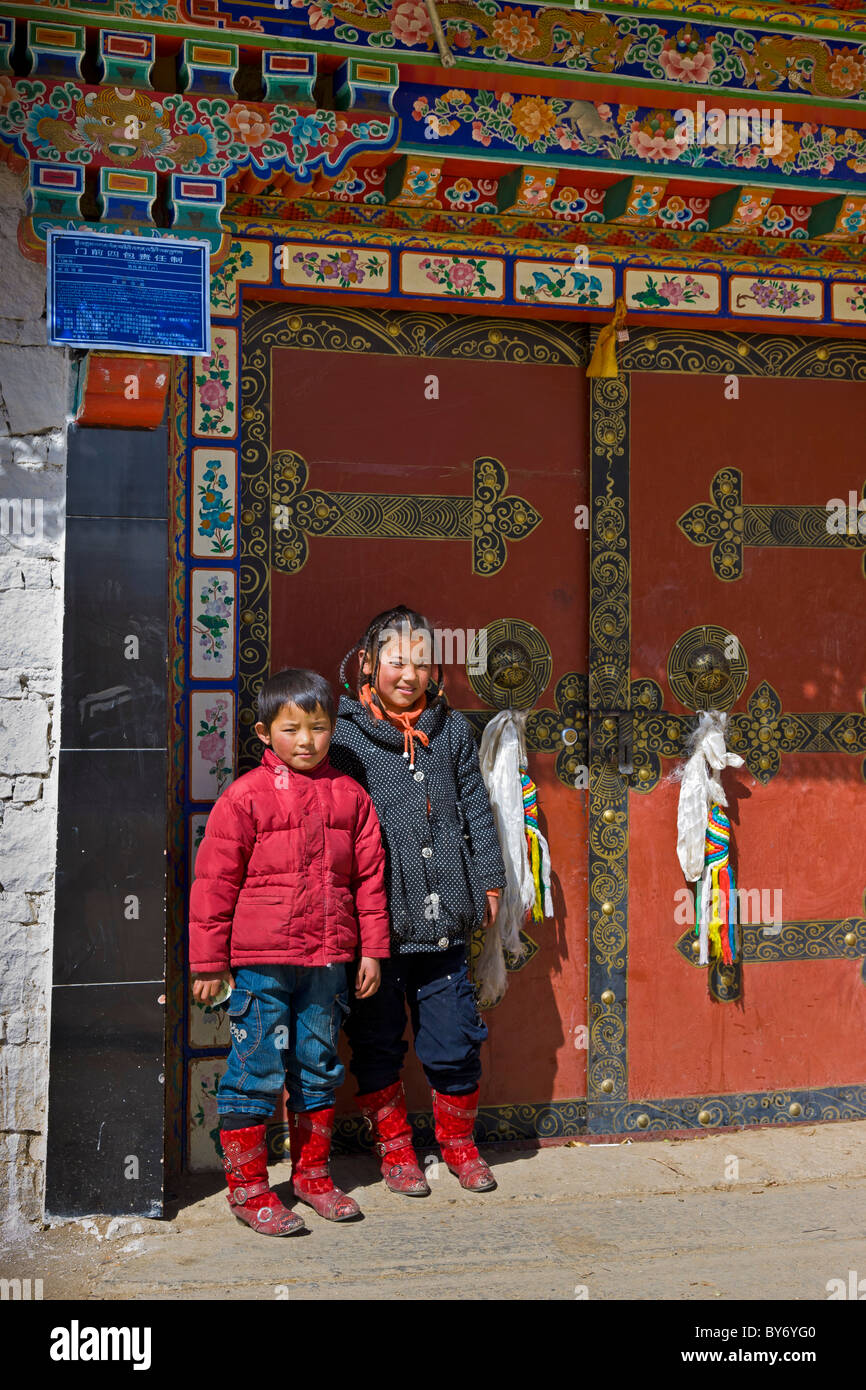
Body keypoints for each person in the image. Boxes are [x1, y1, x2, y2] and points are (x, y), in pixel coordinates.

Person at [189, 668, 390, 1235]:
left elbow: (371, 881)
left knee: (319, 1065)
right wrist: (207, 963)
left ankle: (313, 1177)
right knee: (256, 1068)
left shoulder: (350, 798)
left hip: (328, 964)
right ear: (264, 734)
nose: (307, 741)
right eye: (292, 728)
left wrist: (371, 951)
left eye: (320, 728)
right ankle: (248, 1188)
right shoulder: (245, 797)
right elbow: (213, 885)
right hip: (262, 967)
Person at [329, 605, 506, 1195]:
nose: (410, 674)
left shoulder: (452, 732)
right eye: (397, 661)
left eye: (422, 662)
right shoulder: (346, 735)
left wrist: (489, 879)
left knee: (454, 1039)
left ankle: (459, 1145)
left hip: (443, 923)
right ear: (368, 664)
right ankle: (398, 1152)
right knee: (376, 1043)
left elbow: (477, 810)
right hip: (376, 931)